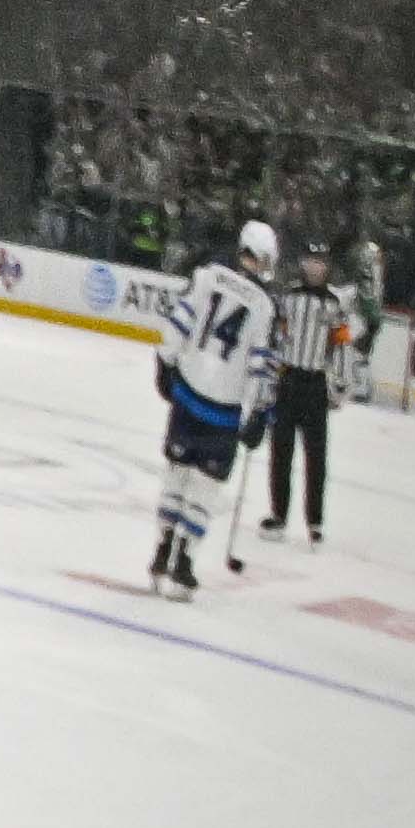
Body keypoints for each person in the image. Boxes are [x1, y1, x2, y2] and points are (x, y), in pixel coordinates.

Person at [151, 215, 285, 597]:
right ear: (260, 257)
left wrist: (165, 361)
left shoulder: (207, 276)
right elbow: (262, 362)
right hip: (223, 409)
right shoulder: (263, 304)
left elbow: (180, 322)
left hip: (188, 393)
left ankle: (163, 548)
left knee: (176, 473)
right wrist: (260, 411)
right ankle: (185, 559)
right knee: (205, 487)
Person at [257, 240, 343, 542]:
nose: (315, 268)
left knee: (315, 456)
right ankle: (279, 514)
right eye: (310, 261)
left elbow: (341, 346)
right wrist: (269, 376)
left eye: (320, 262)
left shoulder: (334, 305)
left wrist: (340, 385)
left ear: (327, 267)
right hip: (289, 379)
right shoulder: (288, 298)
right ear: (302, 264)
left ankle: (315, 520)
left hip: (315, 385)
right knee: (281, 451)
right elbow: (276, 337)